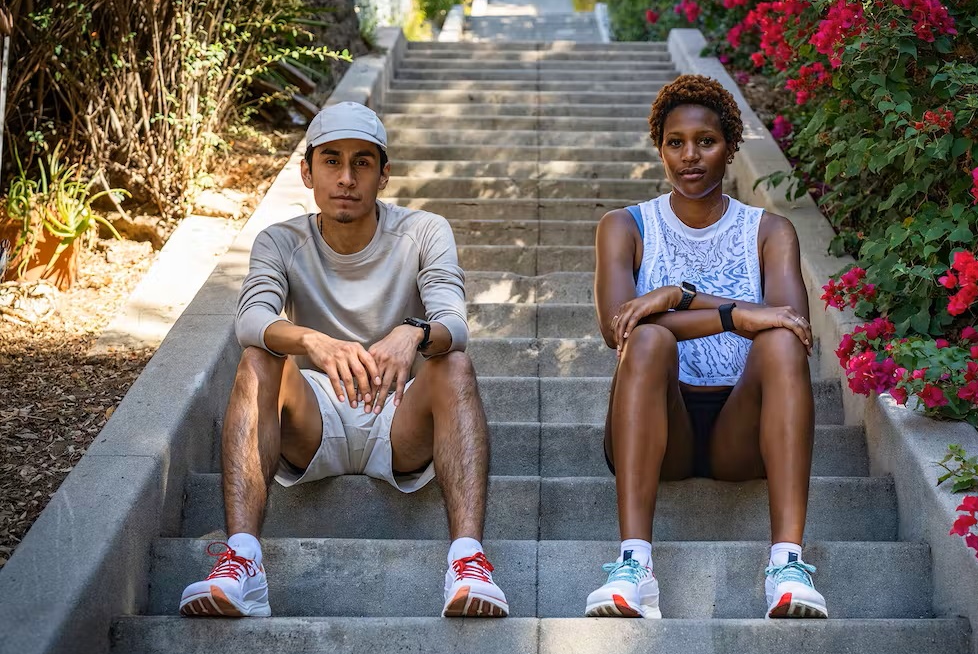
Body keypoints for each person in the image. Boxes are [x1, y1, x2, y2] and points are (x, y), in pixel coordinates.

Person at [178, 101, 508, 619]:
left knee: (456, 366)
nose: (346, 178)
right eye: (331, 161)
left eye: (362, 162)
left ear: (384, 173)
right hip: (313, 415)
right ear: (307, 171)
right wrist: (311, 341)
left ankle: (468, 562)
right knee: (257, 358)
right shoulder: (280, 240)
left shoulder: (424, 231)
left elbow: (455, 323)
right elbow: (251, 318)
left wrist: (414, 332)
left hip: (399, 415)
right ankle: (242, 561)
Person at [586, 74, 827, 620]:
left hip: (739, 428)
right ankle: (634, 568)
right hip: (654, 420)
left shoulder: (770, 231)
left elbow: (791, 329)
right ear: (660, 147)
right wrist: (729, 312)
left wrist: (676, 298)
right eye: (676, 142)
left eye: (706, 141)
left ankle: (787, 567)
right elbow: (617, 328)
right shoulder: (624, 226)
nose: (690, 156)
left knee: (780, 350)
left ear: (731, 147)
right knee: (646, 339)